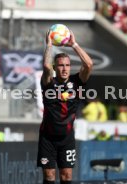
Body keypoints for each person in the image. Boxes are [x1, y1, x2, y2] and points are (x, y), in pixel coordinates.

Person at [37, 29, 93, 184]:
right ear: (56, 67)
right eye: (61, 65)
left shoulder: (77, 82)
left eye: (67, 65)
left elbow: (88, 64)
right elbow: (47, 67)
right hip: (47, 138)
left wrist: (74, 44)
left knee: (66, 176)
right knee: (49, 177)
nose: (64, 68)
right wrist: (49, 45)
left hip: (67, 138)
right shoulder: (49, 83)